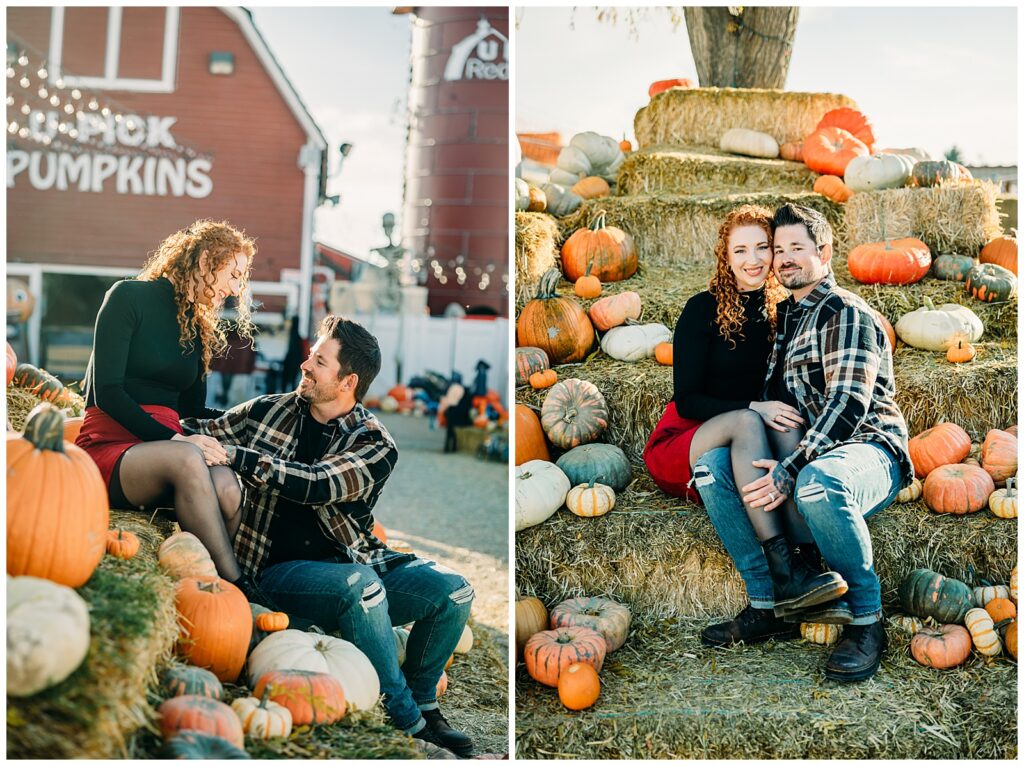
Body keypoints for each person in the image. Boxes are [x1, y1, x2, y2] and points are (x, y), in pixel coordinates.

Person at [179, 315, 476, 756]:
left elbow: (318, 484)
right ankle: (406, 720)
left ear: (347, 381)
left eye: (319, 360)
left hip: (352, 564)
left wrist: (242, 459)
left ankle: (425, 701)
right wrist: (149, 421)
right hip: (276, 572)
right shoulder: (269, 410)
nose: (305, 364)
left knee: (455, 592)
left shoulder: (375, 443)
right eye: (311, 356)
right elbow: (202, 429)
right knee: (362, 588)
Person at [693, 203, 913, 682]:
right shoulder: (787, 316)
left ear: (825, 252)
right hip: (805, 447)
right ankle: (771, 601)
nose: (784, 258)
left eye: (797, 248)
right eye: (779, 249)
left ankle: (867, 620)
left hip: (866, 449)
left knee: (817, 483)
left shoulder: (846, 313)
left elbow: (847, 407)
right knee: (711, 466)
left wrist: (788, 469)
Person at [644, 205, 847, 646]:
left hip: (744, 432)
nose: (754, 259)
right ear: (726, 256)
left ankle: (807, 565)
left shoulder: (784, 311)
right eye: (741, 250)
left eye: (763, 248)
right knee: (746, 424)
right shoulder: (702, 309)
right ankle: (782, 570)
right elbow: (688, 398)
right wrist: (758, 404)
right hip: (686, 435)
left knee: (783, 425)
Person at [75, 220, 273, 606]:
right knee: (187, 458)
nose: (235, 289)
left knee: (229, 487)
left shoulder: (197, 328)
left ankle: (203, 596)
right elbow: (107, 391)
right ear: (203, 262)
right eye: (232, 274)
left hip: (171, 451)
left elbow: (193, 409)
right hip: (113, 445)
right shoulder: (127, 297)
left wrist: (258, 414)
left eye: (240, 279)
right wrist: (177, 440)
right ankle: (236, 588)